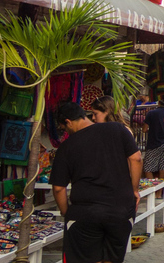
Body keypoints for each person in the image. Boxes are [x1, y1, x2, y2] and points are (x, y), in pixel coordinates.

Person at [50, 102, 142, 263]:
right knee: (112, 258)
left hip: (85, 213)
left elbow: (58, 188)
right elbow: (136, 158)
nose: (66, 132)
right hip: (120, 209)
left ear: (68, 122)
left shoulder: (66, 147)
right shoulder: (117, 129)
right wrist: (134, 190)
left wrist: (66, 212)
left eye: (64, 128)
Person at [142, 100, 164, 188]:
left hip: (154, 143)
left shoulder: (151, 113)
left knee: (147, 168)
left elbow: (144, 129)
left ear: (158, 103)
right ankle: (159, 193)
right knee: (162, 168)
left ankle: (151, 191)